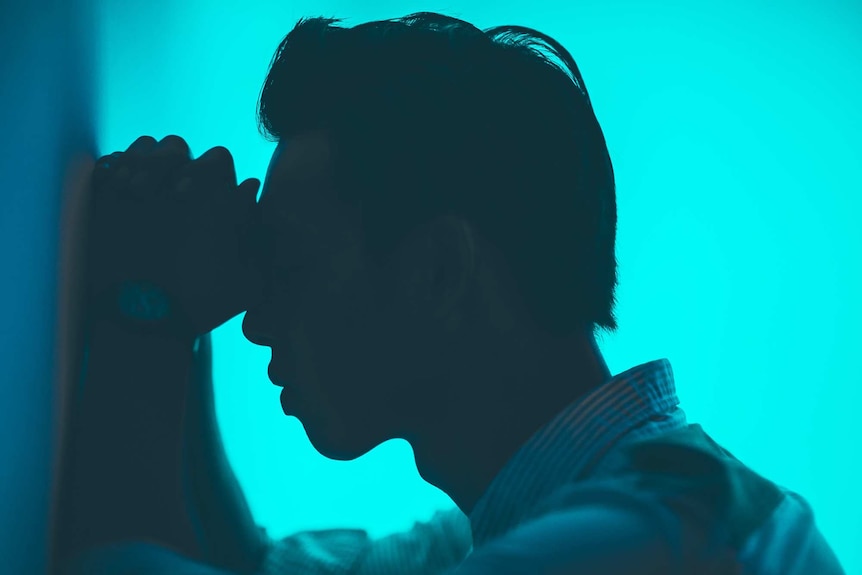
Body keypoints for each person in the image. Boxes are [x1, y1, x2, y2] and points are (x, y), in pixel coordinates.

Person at [52, 11, 846, 575]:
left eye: (284, 268)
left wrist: (143, 311)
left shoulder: (641, 544)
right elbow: (258, 564)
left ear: (439, 270)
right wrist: (181, 310)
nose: (256, 318)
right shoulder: (590, 508)